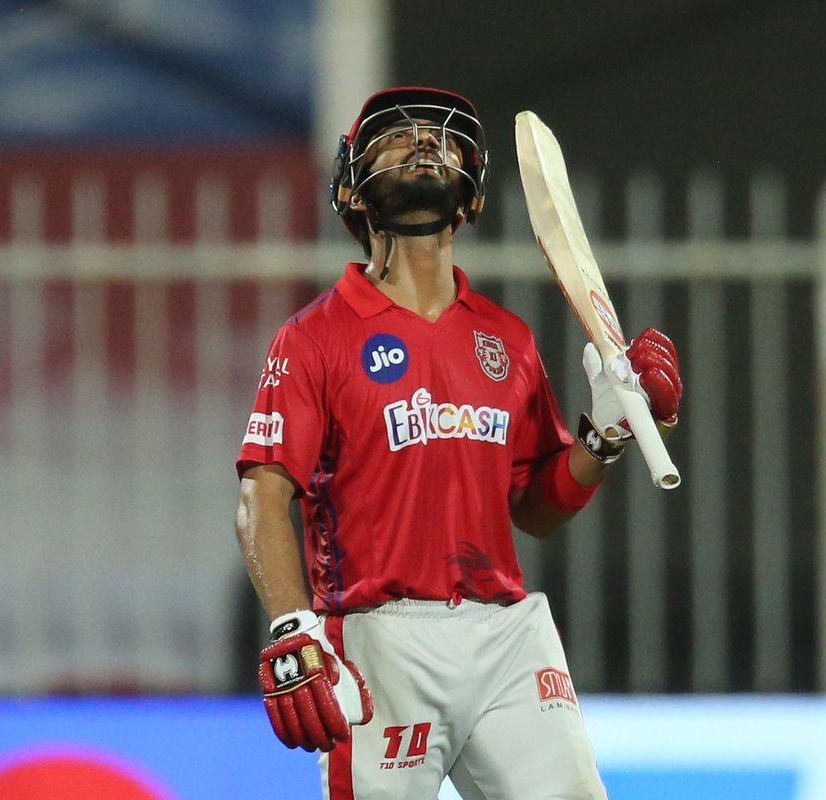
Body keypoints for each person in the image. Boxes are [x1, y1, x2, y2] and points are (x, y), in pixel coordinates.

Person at [234, 86, 682, 800]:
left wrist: (604, 438)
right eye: (396, 136)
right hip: (378, 640)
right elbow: (261, 498)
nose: (424, 142)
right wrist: (294, 628)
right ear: (351, 188)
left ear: (471, 197)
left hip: (507, 636)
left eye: (442, 138)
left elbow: (534, 508)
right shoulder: (313, 338)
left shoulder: (508, 339)